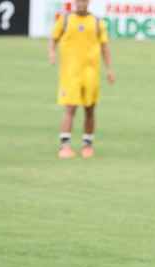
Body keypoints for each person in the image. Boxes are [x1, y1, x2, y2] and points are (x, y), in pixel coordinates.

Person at [48, 0, 114, 158]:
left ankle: (87, 145)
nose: (81, 3)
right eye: (79, 0)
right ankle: (65, 146)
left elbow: (104, 46)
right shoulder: (65, 19)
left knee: (90, 109)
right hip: (70, 73)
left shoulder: (97, 22)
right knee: (70, 108)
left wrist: (109, 69)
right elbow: (54, 38)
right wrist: (52, 52)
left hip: (91, 74)